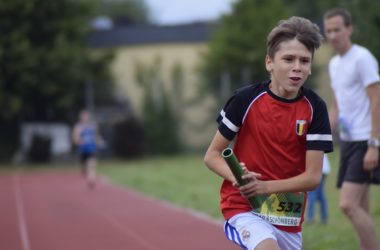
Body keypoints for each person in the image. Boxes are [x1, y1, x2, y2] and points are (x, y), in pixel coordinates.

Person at [204, 16, 333, 250]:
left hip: (287, 218)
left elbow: (313, 178)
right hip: (244, 207)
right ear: (269, 62)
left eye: (305, 61)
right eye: (288, 59)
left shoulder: (315, 108)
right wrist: (237, 176)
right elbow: (212, 155)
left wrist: (266, 187)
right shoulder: (245, 99)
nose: (297, 67)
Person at [323, 8, 380, 250]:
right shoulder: (334, 64)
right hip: (347, 142)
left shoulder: (362, 57)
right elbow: (337, 105)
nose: (333, 35)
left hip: (364, 141)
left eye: (337, 29)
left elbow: (377, 99)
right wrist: (321, 138)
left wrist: (374, 144)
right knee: (361, 208)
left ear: (349, 29)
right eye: (328, 31)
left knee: (347, 205)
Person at [72, 110, 103, 189]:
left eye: (86, 116)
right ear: (81, 118)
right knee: (84, 169)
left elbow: (96, 136)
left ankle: (91, 180)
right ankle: (86, 173)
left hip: (92, 149)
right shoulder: (78, 127)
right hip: (83, 150)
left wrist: (99, 141)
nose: (85, 118)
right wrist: (81, 141)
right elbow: (75, 139)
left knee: (92, 165)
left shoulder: (93, 126)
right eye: (83, 116)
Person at [306, 154, 331, 225]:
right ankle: (324, 218)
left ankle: (310, 218)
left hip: (318, 169)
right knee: (321, 195)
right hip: (324, 169)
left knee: (312, 194)